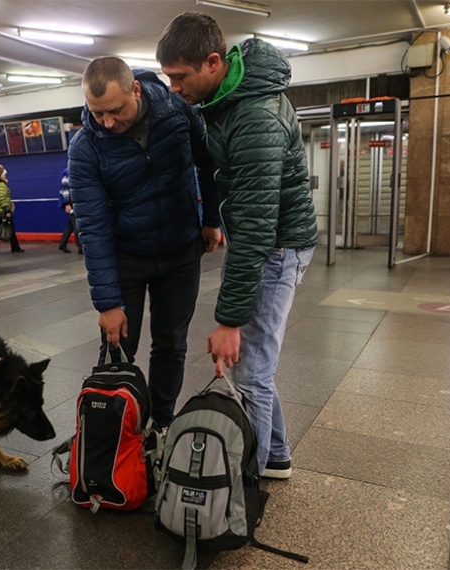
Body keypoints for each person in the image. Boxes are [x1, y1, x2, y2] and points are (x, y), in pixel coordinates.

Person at [157, 12, 318, 479]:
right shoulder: (231, 98)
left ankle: (244, 492)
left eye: (179, 76)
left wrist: (229, 320)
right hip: (274, 240)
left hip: (277, 247)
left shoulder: (254, 117)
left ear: (212, 63)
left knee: (248, 373)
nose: (174, 87)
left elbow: (253, 230)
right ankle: (278, 455)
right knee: (258, 365)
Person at [67, 56, 221, 429]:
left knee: (171, 344)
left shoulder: (176, 110)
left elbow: (208, 162)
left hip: (181, 249)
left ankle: (161, 426)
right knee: (118, 346)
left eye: (115, 111)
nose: (107, 122)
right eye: (96, 112)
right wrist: (107, 303)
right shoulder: (85, 147)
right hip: (127, 256)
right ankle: (115, 434)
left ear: (136, 89)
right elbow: (93, 225)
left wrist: (211, 219)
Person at [0, 164, 25, 253]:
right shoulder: (0, 185)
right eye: (4, 173)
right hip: (1, 211)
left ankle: (15, 247)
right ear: (0, 174)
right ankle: (15, 248)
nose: (5, 175)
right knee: (2, 228)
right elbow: (2, 198)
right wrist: (7, 210)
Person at [57, 167, 81, 254]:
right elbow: (65, 190)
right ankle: (81, 247)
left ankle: (62, 244)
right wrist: (67, 203)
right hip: (71, 203)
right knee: (77, 225)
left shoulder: (72, 171)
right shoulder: (67, 173)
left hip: (73, 202)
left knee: (70, 225)